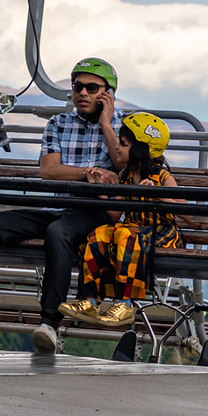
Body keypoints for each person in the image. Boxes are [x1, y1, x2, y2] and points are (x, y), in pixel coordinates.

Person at [0, 57, 127, 352]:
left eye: (91, 88)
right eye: (77, 87)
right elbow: (50, 171)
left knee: (58, 232)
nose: (82, 93)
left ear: (108, 93)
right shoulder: (59, 124)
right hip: (57, 208)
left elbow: (123, 166)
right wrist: (91, 174)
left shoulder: (124, 126)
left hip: (96, 212)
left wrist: (105, 124)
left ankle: (49, 324)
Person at [59, 111, 183, 330]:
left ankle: (124, 302)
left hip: (161, 232)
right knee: (98, 235)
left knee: (125, 236)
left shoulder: (162, 176)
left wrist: (158, 195)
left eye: (123, 144)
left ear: (140, 149)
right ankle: (90, 298)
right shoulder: (126, 175)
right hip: (133, 230)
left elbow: (186, 211)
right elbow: (115, 214)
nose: (116, 146)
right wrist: (99, 189)